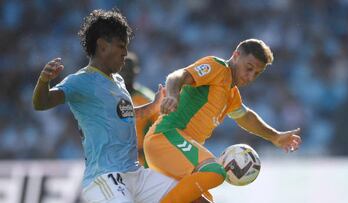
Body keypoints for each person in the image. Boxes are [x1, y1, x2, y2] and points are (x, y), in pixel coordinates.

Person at [32, 9, 178, 203]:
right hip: (105, 178)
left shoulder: (117, 80)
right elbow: (41, 103)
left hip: (135, 174)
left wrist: (151, 107)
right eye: (121, 46)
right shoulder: (81, 81)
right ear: (102, 46)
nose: (126, 53)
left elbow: (122, 114)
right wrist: (43, 81)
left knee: (192, 195)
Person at [144, 39, 302, 203]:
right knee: (215, 172)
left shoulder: (232, 95)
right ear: (236, 55)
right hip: (165, 137)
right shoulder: (217, 67)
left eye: (256, 73)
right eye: (249, 68)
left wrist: (275, 137)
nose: (250, 77)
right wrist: (172, 95)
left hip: (178, 153)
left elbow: (245, 117)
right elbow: (178, 75)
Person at [119, 52, 158, 167]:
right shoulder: (108, 97)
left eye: (129, 69)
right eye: (122, 69)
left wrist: (144, 149)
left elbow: (160, 129)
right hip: (115, 163)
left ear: (136, 71)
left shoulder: (148, 99)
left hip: (143, 164)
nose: (125, 73)